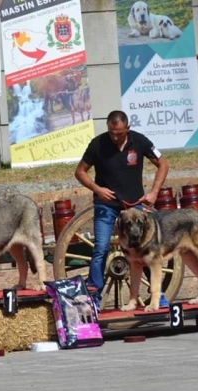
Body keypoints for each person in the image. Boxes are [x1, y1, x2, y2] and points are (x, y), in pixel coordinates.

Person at [74, 110, 170, 310]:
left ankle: (157, 294)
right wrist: (97, 189)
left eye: (119, 133)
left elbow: (163, 164)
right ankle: (94, 295)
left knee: (145, 249)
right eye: (111, 132)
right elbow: (80, 171)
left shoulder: (140, 141)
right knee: (100, 248)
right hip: (106, 205)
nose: (115, 136)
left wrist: (153, 192)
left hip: (135, 206)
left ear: (128, 128)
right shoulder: (98, 144)